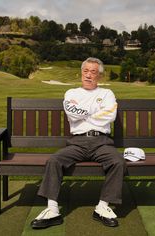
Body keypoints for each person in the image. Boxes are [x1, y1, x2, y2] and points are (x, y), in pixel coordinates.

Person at [31, 57, 126, 229]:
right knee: (54, 160)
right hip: (77, 142)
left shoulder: (107, 94)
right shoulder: (71, 93)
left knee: (118, 161)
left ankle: (102, 207)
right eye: (86, 71)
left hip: (101, 142)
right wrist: (95, 111)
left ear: (99, 76)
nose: (89, 75)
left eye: (93, 72)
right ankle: (52, 210)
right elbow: (72, 113)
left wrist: (85, 113)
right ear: (81, 73)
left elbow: (109, 115)